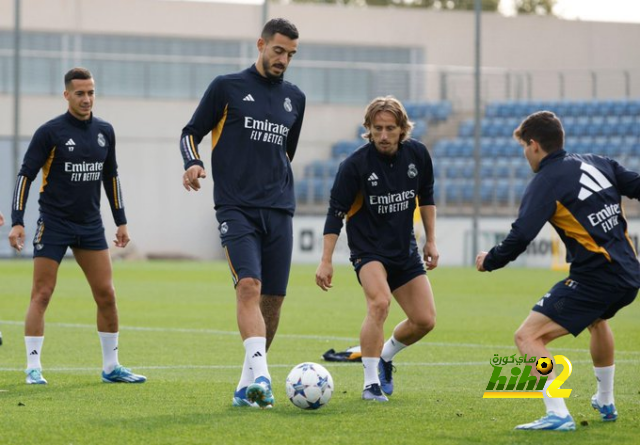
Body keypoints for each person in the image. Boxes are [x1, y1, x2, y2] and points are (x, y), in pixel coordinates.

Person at [476, 111, 640, 431]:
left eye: (524, 146)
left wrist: (491, 260)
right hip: (629, 275)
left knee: (527, 336)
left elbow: (522, 234)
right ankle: (605, 400)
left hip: (596, 278)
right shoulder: (597, 162)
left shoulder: (546, 181)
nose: (525, 153)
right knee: (598, 320)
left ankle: (557, 413)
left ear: (534, 145)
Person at [179, 18, 305, 409]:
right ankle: (264, 378)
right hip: (236, 207)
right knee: (248, 287)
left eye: (290, 54)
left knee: (273, 302)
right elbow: (189, 132)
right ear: (261, 44)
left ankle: (245, 385)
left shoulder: (295, 98)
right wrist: (193, 162)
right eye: (278, 50)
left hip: (280, 209)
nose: (283, 59)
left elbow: (287, 151)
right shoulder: (227, 87)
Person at [8, 67, 146, 385]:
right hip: (54, 223)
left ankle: (111, 367)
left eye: (91, 92)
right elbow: (24, 177)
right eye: (80, 93)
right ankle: (33, 367)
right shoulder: (50, 132)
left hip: (90, 226)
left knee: (106, 294)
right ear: (66, 94)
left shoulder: (105, 131)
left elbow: (111, 177)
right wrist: (17, 222)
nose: (87, 99)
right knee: (42, 293)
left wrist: (121, 221)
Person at [315, 96, 438, 402]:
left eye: (390, 128)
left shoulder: (418, 155)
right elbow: (335, 214)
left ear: (402, 129)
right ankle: (371, 383)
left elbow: (427, 196)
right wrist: (325, 260)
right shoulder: (354, 166)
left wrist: (431, 240)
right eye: (377, 128)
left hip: (404, 251)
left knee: (425, 320)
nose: (383, 135)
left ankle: (384, 356)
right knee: (380, 304)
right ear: (368, 128)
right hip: (368, 252)